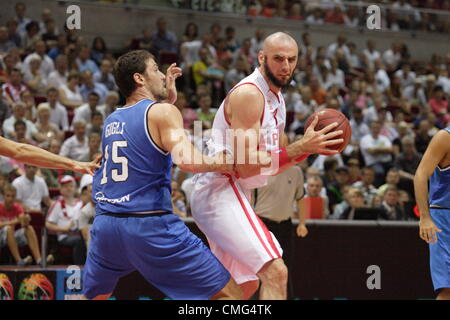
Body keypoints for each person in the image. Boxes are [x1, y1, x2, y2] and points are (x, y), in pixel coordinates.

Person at [190, 32, 343, 300]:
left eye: (291, 60)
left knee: (240, 289)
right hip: (220, 190)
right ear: (262, 58)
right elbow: (248, 167)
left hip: (236, 193)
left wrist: (309, 148)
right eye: (278, 59)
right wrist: (300, 148)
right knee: (276, 272)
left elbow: (275, 163)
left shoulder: (278, 99)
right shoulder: (250, 94)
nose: (285, 66)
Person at [82, 50, 242, 300]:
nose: (161, 75)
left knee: (94, 298)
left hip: (106, 226)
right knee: (230, 296)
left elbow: (145, 129)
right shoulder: (162, 113)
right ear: (140, 79)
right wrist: (222, 163)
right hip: (148, 224)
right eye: (156, 69)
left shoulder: (112, 119)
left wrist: (168, 100)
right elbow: (188, 161)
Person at [253, 163, 306, 299]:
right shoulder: (259, 168)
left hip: (285, 225)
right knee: (260, 270)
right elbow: (249, 198)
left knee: (285, 268)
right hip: (262, 224)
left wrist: (302, 223)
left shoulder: (296, 171)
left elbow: (300, 198)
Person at [414, 126, 450, 300]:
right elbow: (421, 175)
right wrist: (425, 217)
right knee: (448, 290)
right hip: (443, 219)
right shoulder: (445, 137)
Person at [46, 175, 85, 265]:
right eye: (65, 186)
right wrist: (65, 228)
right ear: (61, 189)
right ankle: (79, 267)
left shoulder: (80, 203)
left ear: (75, 188)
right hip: (65, 236)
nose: (68, 189)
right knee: (80, 241)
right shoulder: (57, 204)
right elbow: (48, 224)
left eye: (71, 186)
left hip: (81, 232)